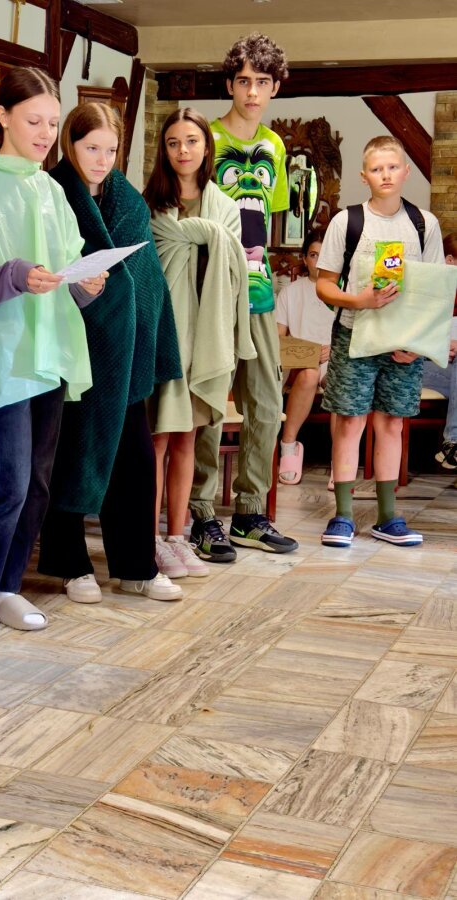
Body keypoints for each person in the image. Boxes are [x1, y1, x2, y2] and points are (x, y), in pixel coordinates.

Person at [0, 67, 106, 632]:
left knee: (38, 482)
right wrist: (12, 275)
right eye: (34, 120)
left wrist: (85, 284)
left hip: (51, 352)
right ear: (3, 115)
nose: (45, 134)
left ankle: (7, 586)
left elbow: (62, 275)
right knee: (7, 482)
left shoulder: (51, 189)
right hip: (3, 355)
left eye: (53, 124)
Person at [37, 103, 183, 603]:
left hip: (126, 353)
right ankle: (71, 564)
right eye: (91, 148)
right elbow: (43, 269)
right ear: (70, 145)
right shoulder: (52, 192)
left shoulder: (130, 201)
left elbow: (146, 281)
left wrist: (148, 335)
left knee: (135, 462)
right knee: (71, 454)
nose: (101, 160)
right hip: (74, 347)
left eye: (111, 150)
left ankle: (136, 567)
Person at [188, 32, 299, 561]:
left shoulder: (275, 146)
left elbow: (263, 219)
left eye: (262, 82)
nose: (252, 91)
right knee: (211, 400)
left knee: (267, 402)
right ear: (230, 84)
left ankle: (250, 514)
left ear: (275, 87)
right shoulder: (205, 139)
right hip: (211, 286)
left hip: (257, 286)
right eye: (243, 81)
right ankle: (200, 514)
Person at [316, 135, 444, 547]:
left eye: (392, 167)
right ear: (364, 176)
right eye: (376, 169)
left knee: (391, 423)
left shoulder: (424, 224)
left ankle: (388, 517)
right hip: (354, 335)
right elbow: (324, 285)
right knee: (350, 421)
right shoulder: (347, 221)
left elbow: (434, 291)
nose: (385, 175)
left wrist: (417, 343)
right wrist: (361, 300)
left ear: (405, 172)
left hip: (403, 342)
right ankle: (342, 516)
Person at [144, 108, 254, 578]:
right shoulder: (149, 206)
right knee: (157, 440)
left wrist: (210, 236)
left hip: (204, 338)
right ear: (164, 150)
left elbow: (235, 275)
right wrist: (204, 237)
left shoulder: (224, 209)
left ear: (206, 147)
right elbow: (142, 271)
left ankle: (178, 537)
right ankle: (147, 539)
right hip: (160, 334)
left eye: (191, 141)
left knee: (187, 438)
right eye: (173, 142)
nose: (183, 150)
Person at [276, 229, 335, 485]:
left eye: (325, 255)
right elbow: (278, 339)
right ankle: (288, 445)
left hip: (335, 360)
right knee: (310, 373)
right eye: (313, 255)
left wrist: (333, 349)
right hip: (300, 363)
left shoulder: (344, 292)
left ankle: (340, 457)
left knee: (339, 381)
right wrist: (306, 352)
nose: (319, 262)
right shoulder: (290, 292)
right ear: (305, 258)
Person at [422, 232, 457, 470]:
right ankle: (453, 441)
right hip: (423, 365)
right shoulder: (426, 294)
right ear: (449, 260)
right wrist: (438, 346)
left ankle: (453, 444)